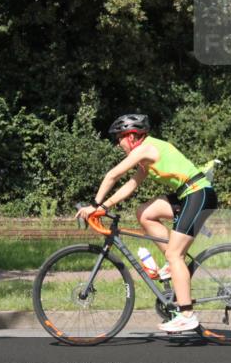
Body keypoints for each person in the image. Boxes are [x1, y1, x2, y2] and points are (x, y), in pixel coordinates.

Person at [74, 113, 218, 333]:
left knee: (174, 254)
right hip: (186, 195)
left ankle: (187, 314)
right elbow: (130, 185)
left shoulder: (146, 148)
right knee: (144, 213)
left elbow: (113, 175)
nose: (118, 144)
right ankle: (173, 264)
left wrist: (95, 204)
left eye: (119, 138)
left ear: (131, 136)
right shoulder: (145, 158)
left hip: (198, 194)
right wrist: (105, 207)